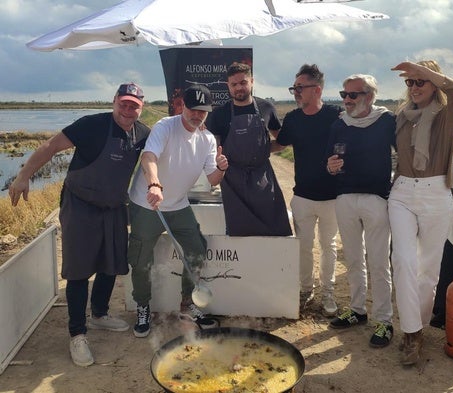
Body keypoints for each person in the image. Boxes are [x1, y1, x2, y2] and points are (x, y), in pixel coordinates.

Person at [8, 83, 150, 367]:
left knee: (112, 262)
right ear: (114, 102)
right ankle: (77, 333)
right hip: (80, 205)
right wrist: (23, 176)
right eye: (123, 103)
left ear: (141, 108)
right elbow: (51, 146)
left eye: (133, 105)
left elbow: (157, 157)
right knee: (78, 269)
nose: (127, 109)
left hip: (113, 207)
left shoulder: (143, 133)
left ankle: (99, 315)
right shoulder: (91, 125)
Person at [127, 84, 228, 337]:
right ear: (182, 106)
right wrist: (153, 183)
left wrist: (223, 167)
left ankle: (188, 304)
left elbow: (213, 180)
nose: (197, 116)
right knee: (140, 259)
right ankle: (143, 306)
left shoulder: (207, 139)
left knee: (197, 249)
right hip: (147, 203)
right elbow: (148, 157)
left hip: (178, 205)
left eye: (202, 112)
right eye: (193, 109)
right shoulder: (165, 126)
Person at [388, 60, 453, 365]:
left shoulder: (447, 113)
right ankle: (411, 332)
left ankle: (416, 330)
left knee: (428, 271)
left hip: (436, 194)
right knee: (404, 261)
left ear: (434, 84)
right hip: (403, 192)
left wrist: (422, 70)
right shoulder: (401, 117)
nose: (416, 88)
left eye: (422, 82)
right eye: (411, 82)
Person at [325, 74, 396, 349]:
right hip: (345, 197)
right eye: (344, 94)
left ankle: (384, 320)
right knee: (354, 259)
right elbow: (328, 158)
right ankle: (357, 310)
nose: (347, 100)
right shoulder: (339, 124)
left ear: (370, 95)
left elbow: (405, 152)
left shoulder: (387, 121)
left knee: (379, 261)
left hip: (376, 199)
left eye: (353, 95)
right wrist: (329, 167)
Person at [275, 64, 342, 316]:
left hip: (332, 197)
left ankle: (328, 292)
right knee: (303, 246)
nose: (296, 92)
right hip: (302, 196)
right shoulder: (292, 119)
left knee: (329, 246)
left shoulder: (335, 116)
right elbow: (278, 146)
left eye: (300, 87)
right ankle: (305, 290)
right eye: (294, 88)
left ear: (317, 89)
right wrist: (244, 148)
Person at [205, 62, 292, 236]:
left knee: (272, 228)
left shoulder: (266, 108)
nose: (239, 88)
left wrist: (262, 150)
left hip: (263, 178)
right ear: (228, 86)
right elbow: (212, 150)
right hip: (233, 182)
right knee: (240, 232)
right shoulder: (219, 115)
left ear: (251, 81)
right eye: (234, 84)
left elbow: (281, 142)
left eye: (243, 83)